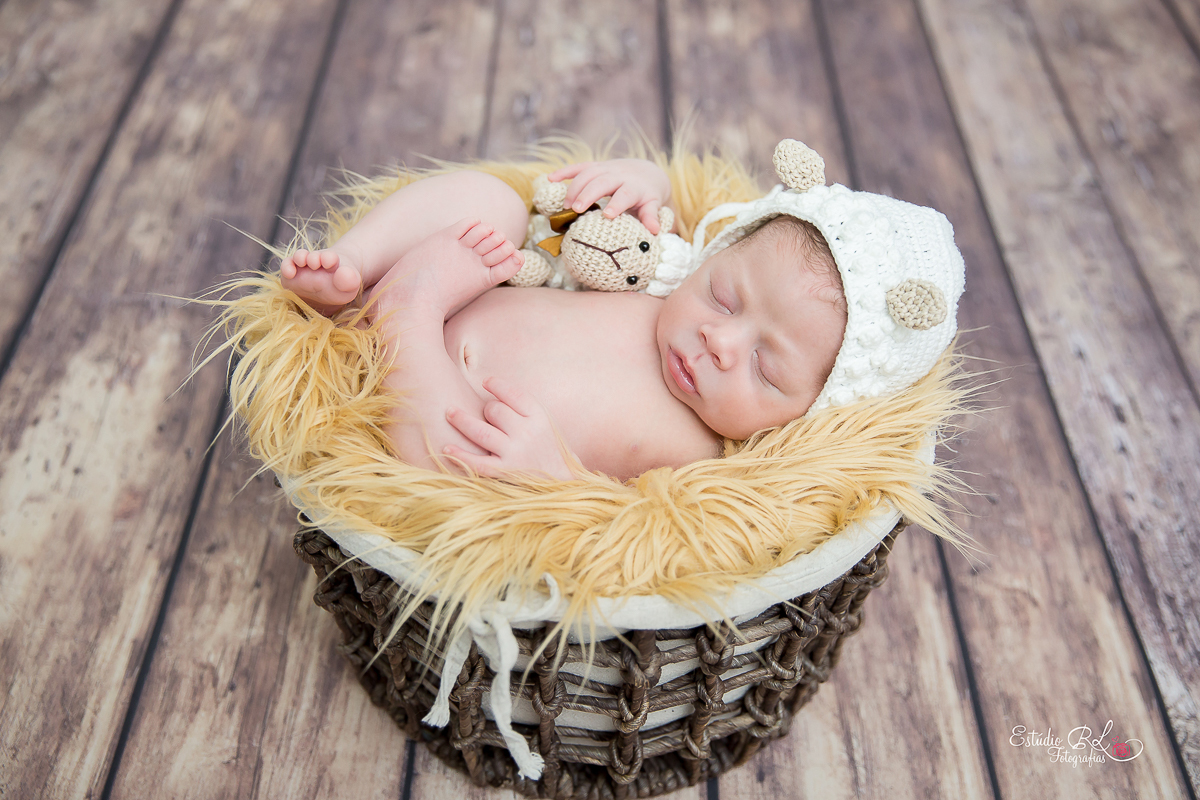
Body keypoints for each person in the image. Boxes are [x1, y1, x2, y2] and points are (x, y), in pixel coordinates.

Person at [280, 147, 963, 482]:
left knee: (453, 465)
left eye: (767, 366)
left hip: (429, 400)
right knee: (496, 204)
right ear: (712, 256)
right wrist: (644, 180)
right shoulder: (663, 281)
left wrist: (553, 475)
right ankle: (355, 268)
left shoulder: (702, 460)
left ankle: (404, 308)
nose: (719, 341)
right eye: (724, 296)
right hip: (469, 285)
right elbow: (656, 223)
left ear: (813, 412)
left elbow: (634, 535)